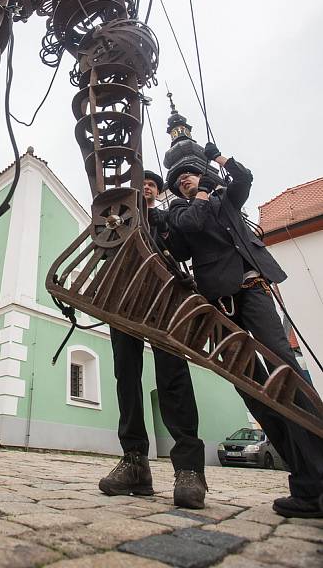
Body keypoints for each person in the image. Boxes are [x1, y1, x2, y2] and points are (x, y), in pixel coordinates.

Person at [168, 144, 323, 519]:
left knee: (285, 369)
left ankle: (316, 475)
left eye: (190, 173)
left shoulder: (225, 198)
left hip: (253, 290)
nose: (184, 179)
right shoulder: (179, 211)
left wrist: (219, 161)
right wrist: (203, 192)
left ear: (202, 174)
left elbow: (245, 178)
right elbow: (190, 227)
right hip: (221, 302)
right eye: (179, 179)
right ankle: (306, 483)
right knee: (250, 386)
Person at [99, 170, 208, 509]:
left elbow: (186, 248)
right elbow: (103, 251)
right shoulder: (116, 218)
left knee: (173, 376)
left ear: (158, 193)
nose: (146, 186)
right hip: (124, 300)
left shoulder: (166, 218)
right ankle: (134, 462)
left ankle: (189, 469)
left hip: (164, 300)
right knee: (126, 377)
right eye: (141, 183)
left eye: (152, 185)